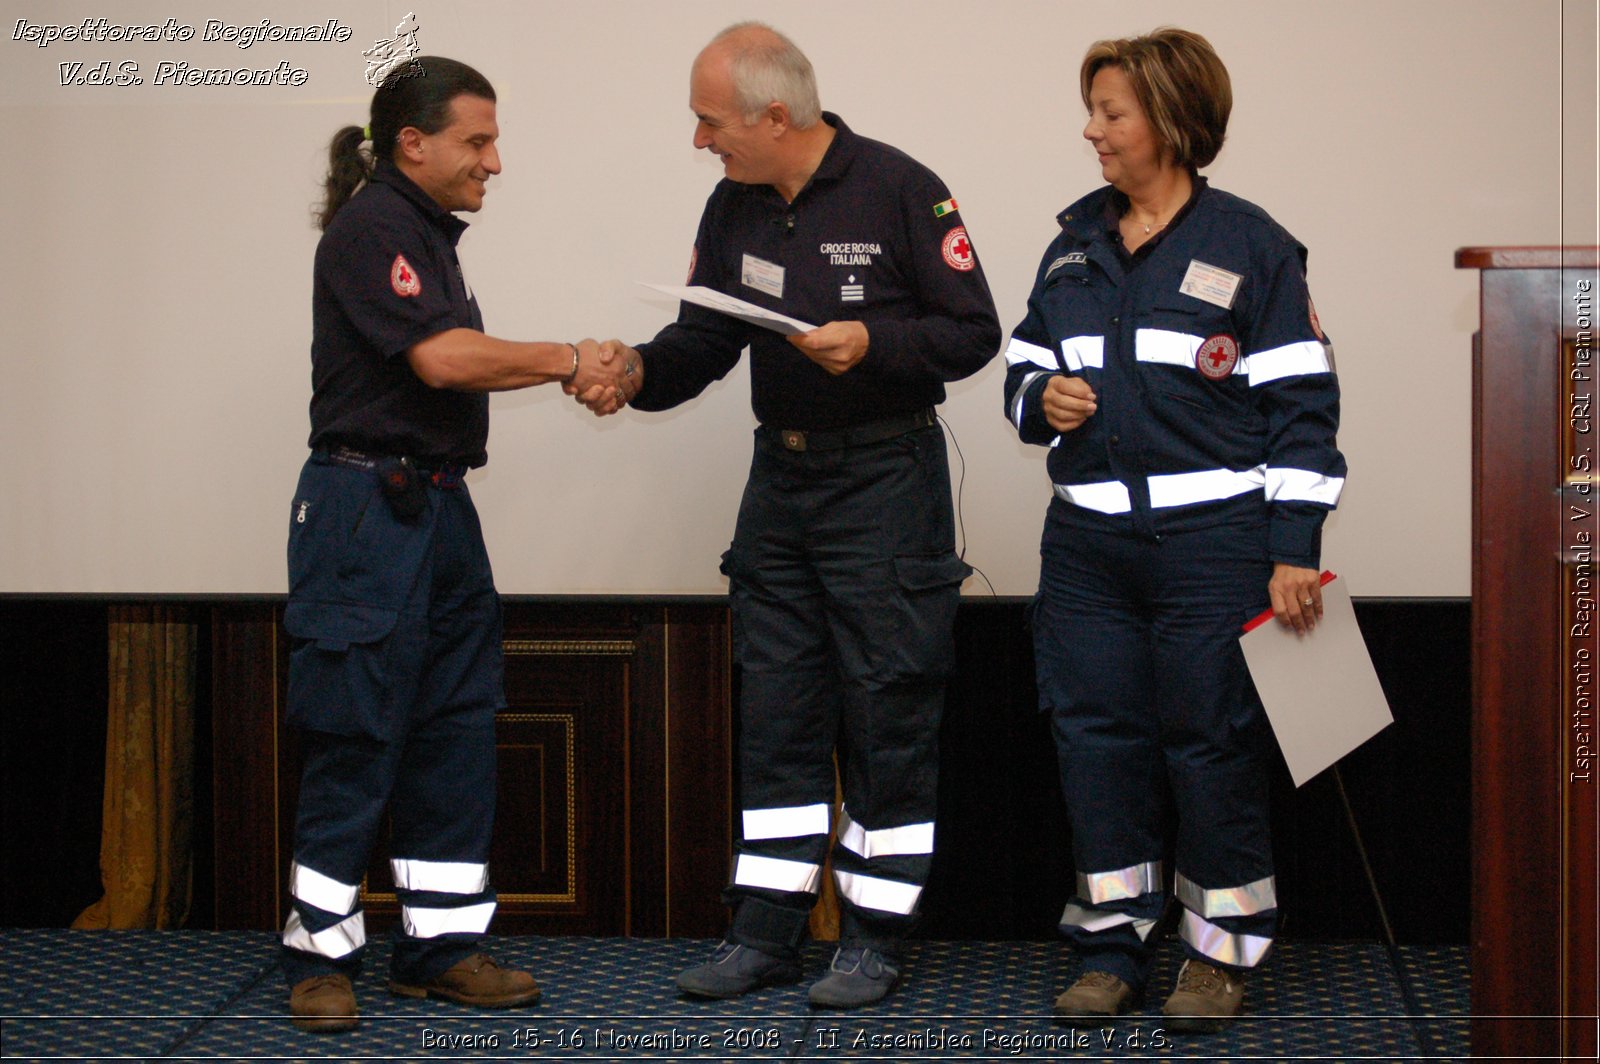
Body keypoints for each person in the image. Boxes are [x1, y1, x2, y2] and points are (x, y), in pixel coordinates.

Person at [579, 22, 999, 1008]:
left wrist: (877, 344)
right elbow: (704, 340)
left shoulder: (901, 187)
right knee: (777, 714)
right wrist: (634, 373)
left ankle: (872, 939)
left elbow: (972, 331)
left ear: (775, 115)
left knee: (889, 712)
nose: (699, 141)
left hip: (884, 481)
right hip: (781, 484)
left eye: (709, 121)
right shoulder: (732, 203)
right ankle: (764, 931)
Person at [1002, 28, 1345, 1031]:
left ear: (1171, 120)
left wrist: (1294, 547)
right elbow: (1021, 369)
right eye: (1094, 111)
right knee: (1094, 742)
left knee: (1211, 744)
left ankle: (1218, 955)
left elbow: (1303, 406)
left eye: (1111, 113)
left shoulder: (1252, 245)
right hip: (1087, 554)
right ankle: (1110, 944)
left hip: (1215, 550)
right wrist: (1041, 396)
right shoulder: (1071, 247)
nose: (1092, 130)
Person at [280, 56, 625, 1032]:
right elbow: (441, 359)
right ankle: (320, 953)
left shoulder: (427, 234)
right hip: (365, 512)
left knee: (456, 729)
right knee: (353, 731)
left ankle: (437, 949)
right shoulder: (375, 228)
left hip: (435, 511)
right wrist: (570, 358)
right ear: (412, 144)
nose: (495, 161)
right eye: (477, 141)